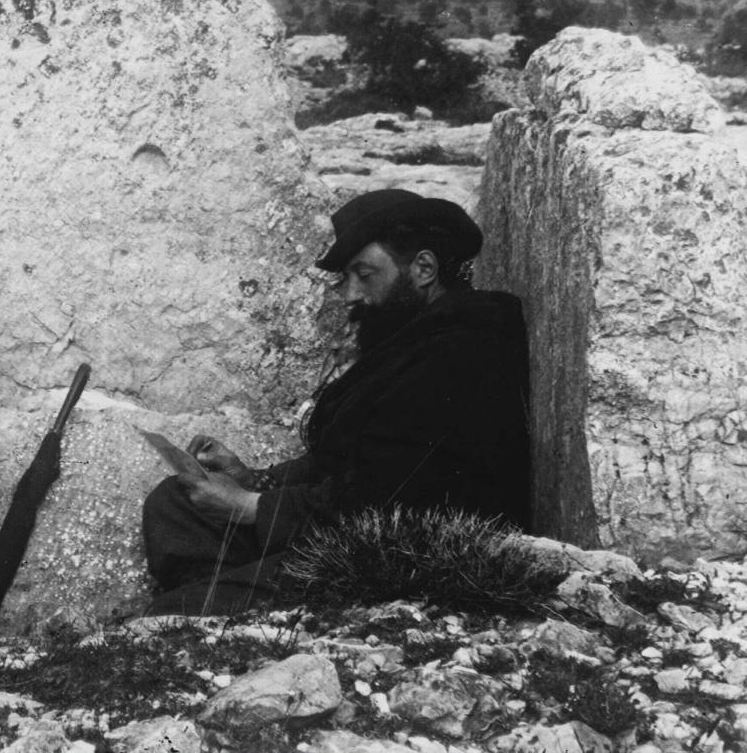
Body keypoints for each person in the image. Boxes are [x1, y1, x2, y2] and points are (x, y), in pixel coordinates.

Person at [140, 188, 532, 615]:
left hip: (407, 560)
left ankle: (224, 611)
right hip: (353, 529)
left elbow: (388, 502)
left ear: (423, 268)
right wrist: (255, 479)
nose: (350, 296)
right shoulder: (414, 337)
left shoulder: (459, 354)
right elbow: (346, 458)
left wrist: (250, 507)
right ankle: (231, 601)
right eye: (346, 278)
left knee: (172, 616)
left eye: (364, 275)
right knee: (176, 503)